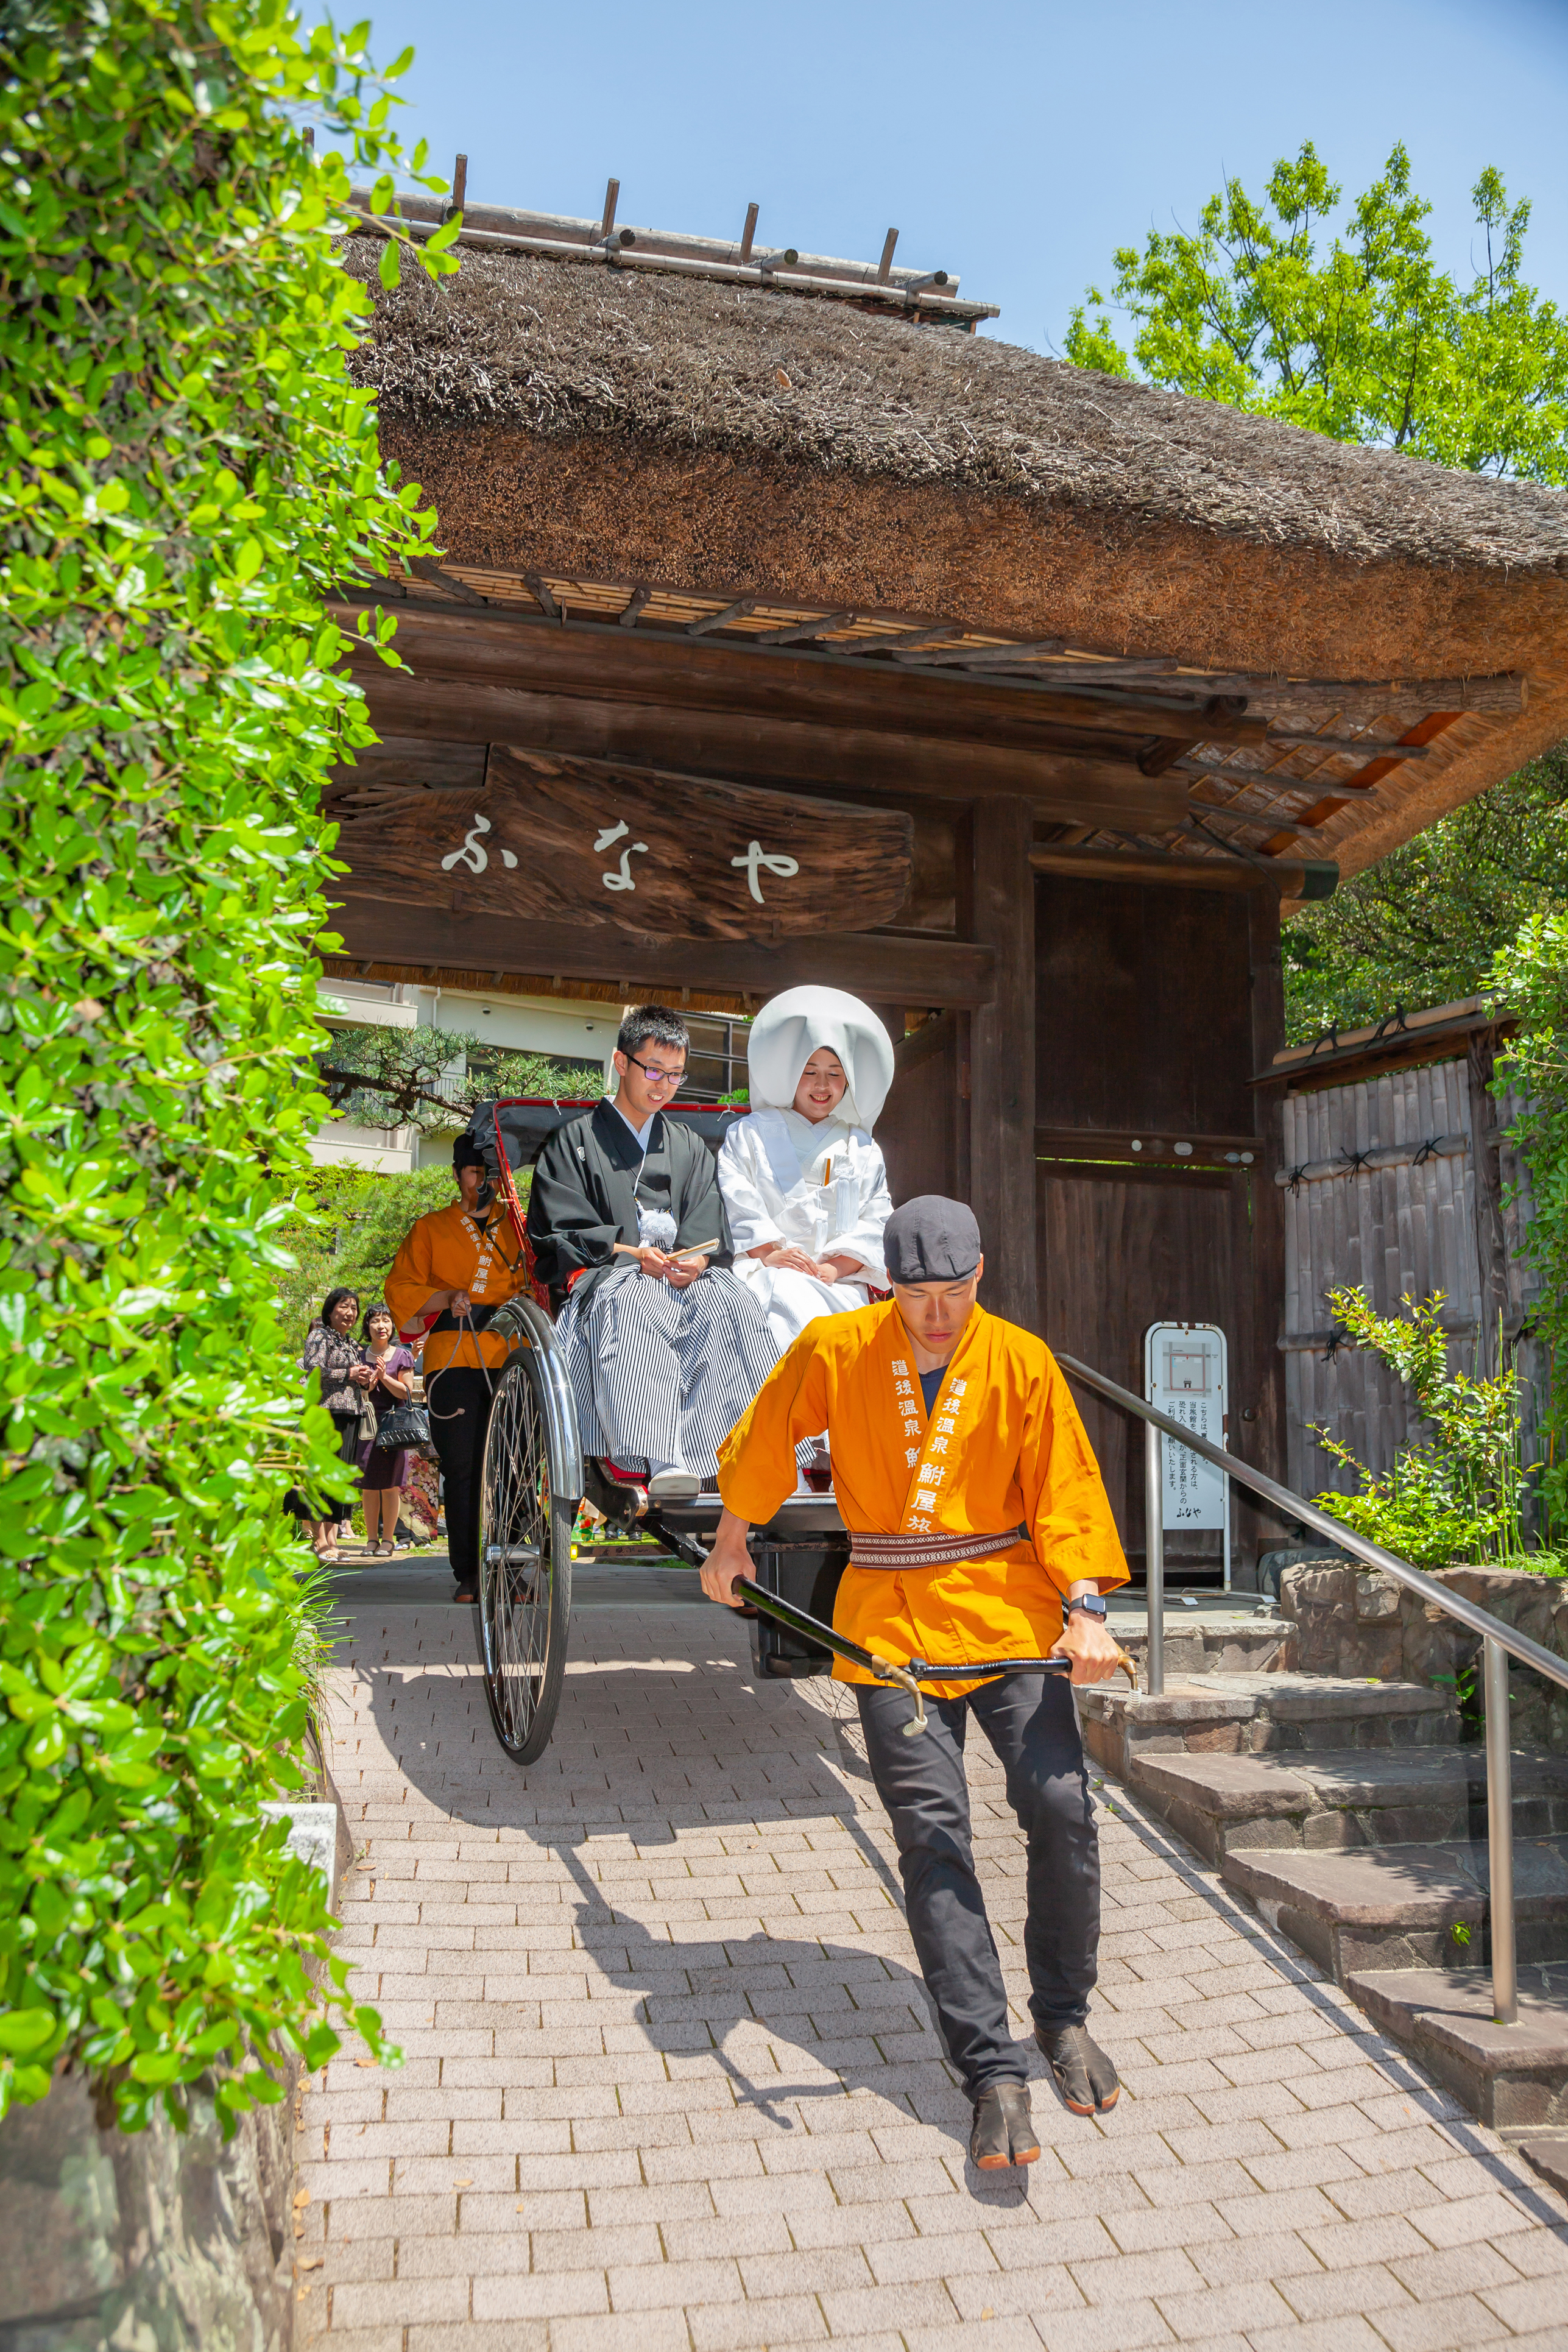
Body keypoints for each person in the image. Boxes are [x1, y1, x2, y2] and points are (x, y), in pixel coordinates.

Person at [700, 1195, 1130, 2170]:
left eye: (953, 1293)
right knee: (933, 1836)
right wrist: (731, 1540)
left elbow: (1065, 1490)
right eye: (915, 1295)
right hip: (888, 1619)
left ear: (981, 1276)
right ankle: (989, 2071)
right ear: (885, 1285)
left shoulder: (1021, 1360)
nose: (935, 1315)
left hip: (1009, 1606)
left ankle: (1061, 2016)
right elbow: (768, 1434)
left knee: (1058, 1804)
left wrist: (1087, 1607)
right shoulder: (839, 1348)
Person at [526, 1005, 778, 1500]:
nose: (663, 1085)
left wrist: (698, 1260)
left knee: (733, 1301)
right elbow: (560, 1232)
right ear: (622, 1063)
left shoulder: (686, 1143)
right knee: (636, 1298)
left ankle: (741, 1448)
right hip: (612, 1277)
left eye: (676, 1075)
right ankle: (665, 1456)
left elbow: (708, 1218)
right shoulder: (573, 1142)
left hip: (682, 1279)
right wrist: (630, 1253)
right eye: (654, 1070)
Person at [385, 1136, 532, 1602]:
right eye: (473, 1171)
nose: (481, 1181)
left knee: (514, 1466)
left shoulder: (518, 1227)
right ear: (456, 1174)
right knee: (465, 1467)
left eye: (489, 1172)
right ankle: (470, 1571)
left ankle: (509, 1569)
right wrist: (447, 1297)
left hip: (510, 1353)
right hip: (455, 1357)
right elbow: (402, 1290)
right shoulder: (431, 1227)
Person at [718, 986, 895, 1353]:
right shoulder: (749, 1134)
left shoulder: (862, 1148)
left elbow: (876, 1220)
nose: (821, 1085)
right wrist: (771, 1254)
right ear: (790, 1074)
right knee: (782, 1302)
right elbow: (739, 1202)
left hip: (841, 1284)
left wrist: (837, 1268)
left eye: (834, 1073)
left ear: (847, 1081)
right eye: (809, 1071)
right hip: (768, 1275)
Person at [300, 1287, 366, 1563]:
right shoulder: (319, 1335)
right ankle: (318, 1540)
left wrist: (366, 1378)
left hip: (350, 1412)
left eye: (353, 1308)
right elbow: (312, 1369)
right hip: (325, 1413)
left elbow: (353, 1378)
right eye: (344, 1306)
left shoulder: (350, 1342)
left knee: (340, 1477)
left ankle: (332, 1539)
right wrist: (348, 1373)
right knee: (322, 1475)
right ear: (330, 1309)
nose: (349, 1313)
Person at [356, 1302, 415, 1556]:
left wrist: (383, 1377)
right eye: (375, 1321)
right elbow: (357, 1394)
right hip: (367, 1425)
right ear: (367, 1327)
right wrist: (367, 1384)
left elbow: (407, 1391)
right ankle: (371, 1540)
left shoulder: (402, 1355)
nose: (382, 1326)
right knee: (368, 1484)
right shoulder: (358, 1356)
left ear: (393, 1326)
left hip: (395, 1427)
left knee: (391, 1485)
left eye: (386, 1321)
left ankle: (389, 1540)